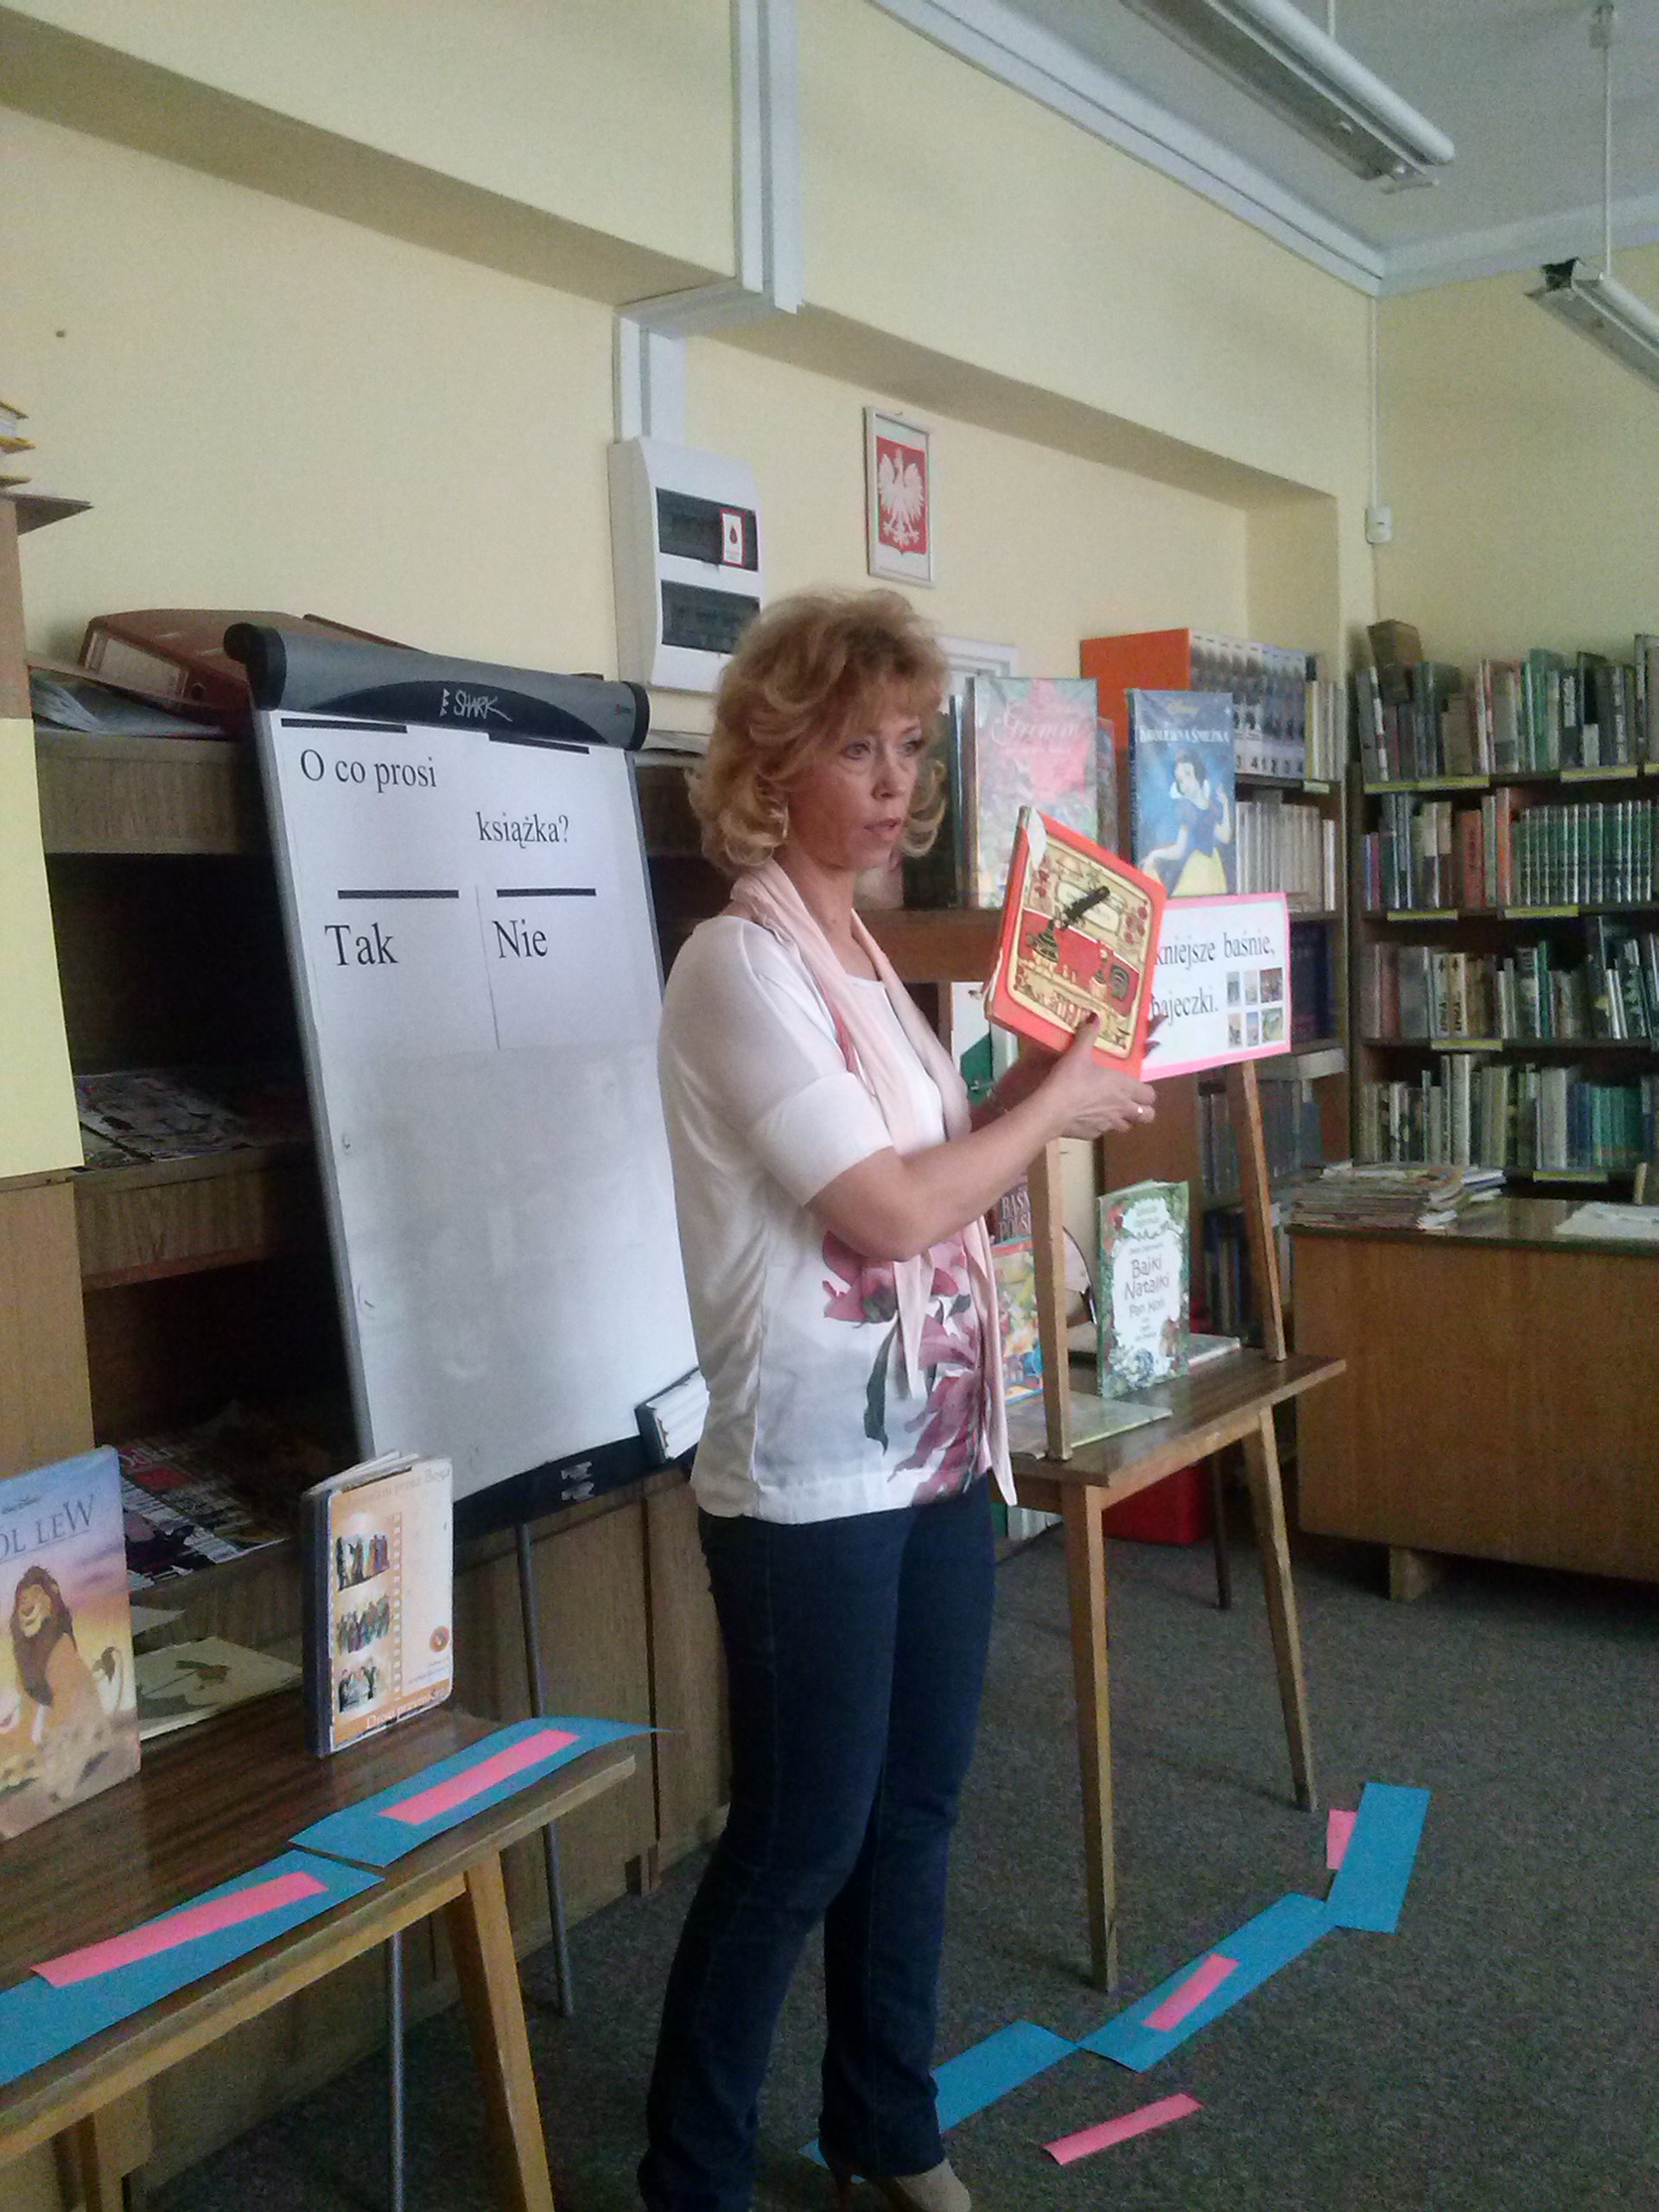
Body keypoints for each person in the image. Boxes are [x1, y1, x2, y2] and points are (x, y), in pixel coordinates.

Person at [640, 588, 1157, 2212]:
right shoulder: (736, 964)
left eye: (912, 748)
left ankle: (886, 2124)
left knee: (914, 1813)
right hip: (807, 1483)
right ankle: (691, 2178)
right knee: (797, 1842)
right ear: (770, 762)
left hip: (935, 1455)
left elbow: (948, 1176)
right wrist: (1051, 1113)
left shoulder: (862, 955)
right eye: (854, 748)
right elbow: (879, 1214)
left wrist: (1041, 1084)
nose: (891, 784)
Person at [1141, 747, 1233, 896]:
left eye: (1188, 774)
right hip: (1198, 868)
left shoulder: (1209, 808)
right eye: (1180, 781)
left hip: (1213, 867)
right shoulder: (1187, 809)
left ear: (1199, 774)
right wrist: (1155, 854)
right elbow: (1179, 850)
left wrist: (1226, 805)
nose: (1186, 784)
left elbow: (1225, 837)